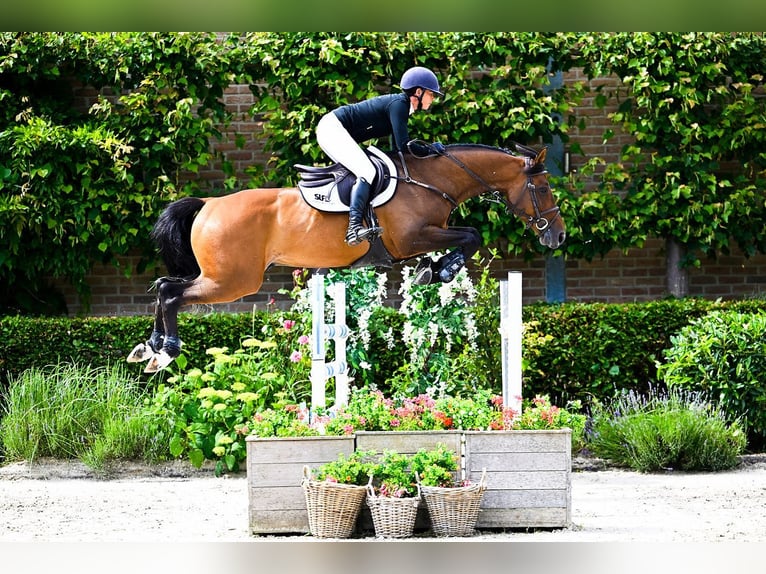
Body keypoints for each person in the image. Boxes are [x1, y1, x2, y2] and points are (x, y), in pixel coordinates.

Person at [316, 66, 443, 246]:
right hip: (332, 129)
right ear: (418, 92)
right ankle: (353, 229)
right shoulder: (400, 104)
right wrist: (432, 150)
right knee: (366, 171)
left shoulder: (402, 108)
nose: (434, 98)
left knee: (371, 170)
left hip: (334, 129)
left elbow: (397, 151)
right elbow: (404, 145)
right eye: (432, 94)